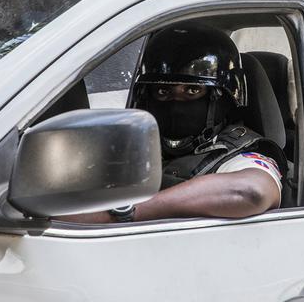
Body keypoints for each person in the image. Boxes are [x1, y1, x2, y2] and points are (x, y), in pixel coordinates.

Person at [64, 23, 285, 224]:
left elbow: (251, 192)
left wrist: (126, 212)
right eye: (163, 92)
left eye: (192, 91)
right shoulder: (133, 148)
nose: (175, 103)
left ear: (222, 99)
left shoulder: (243, 156)